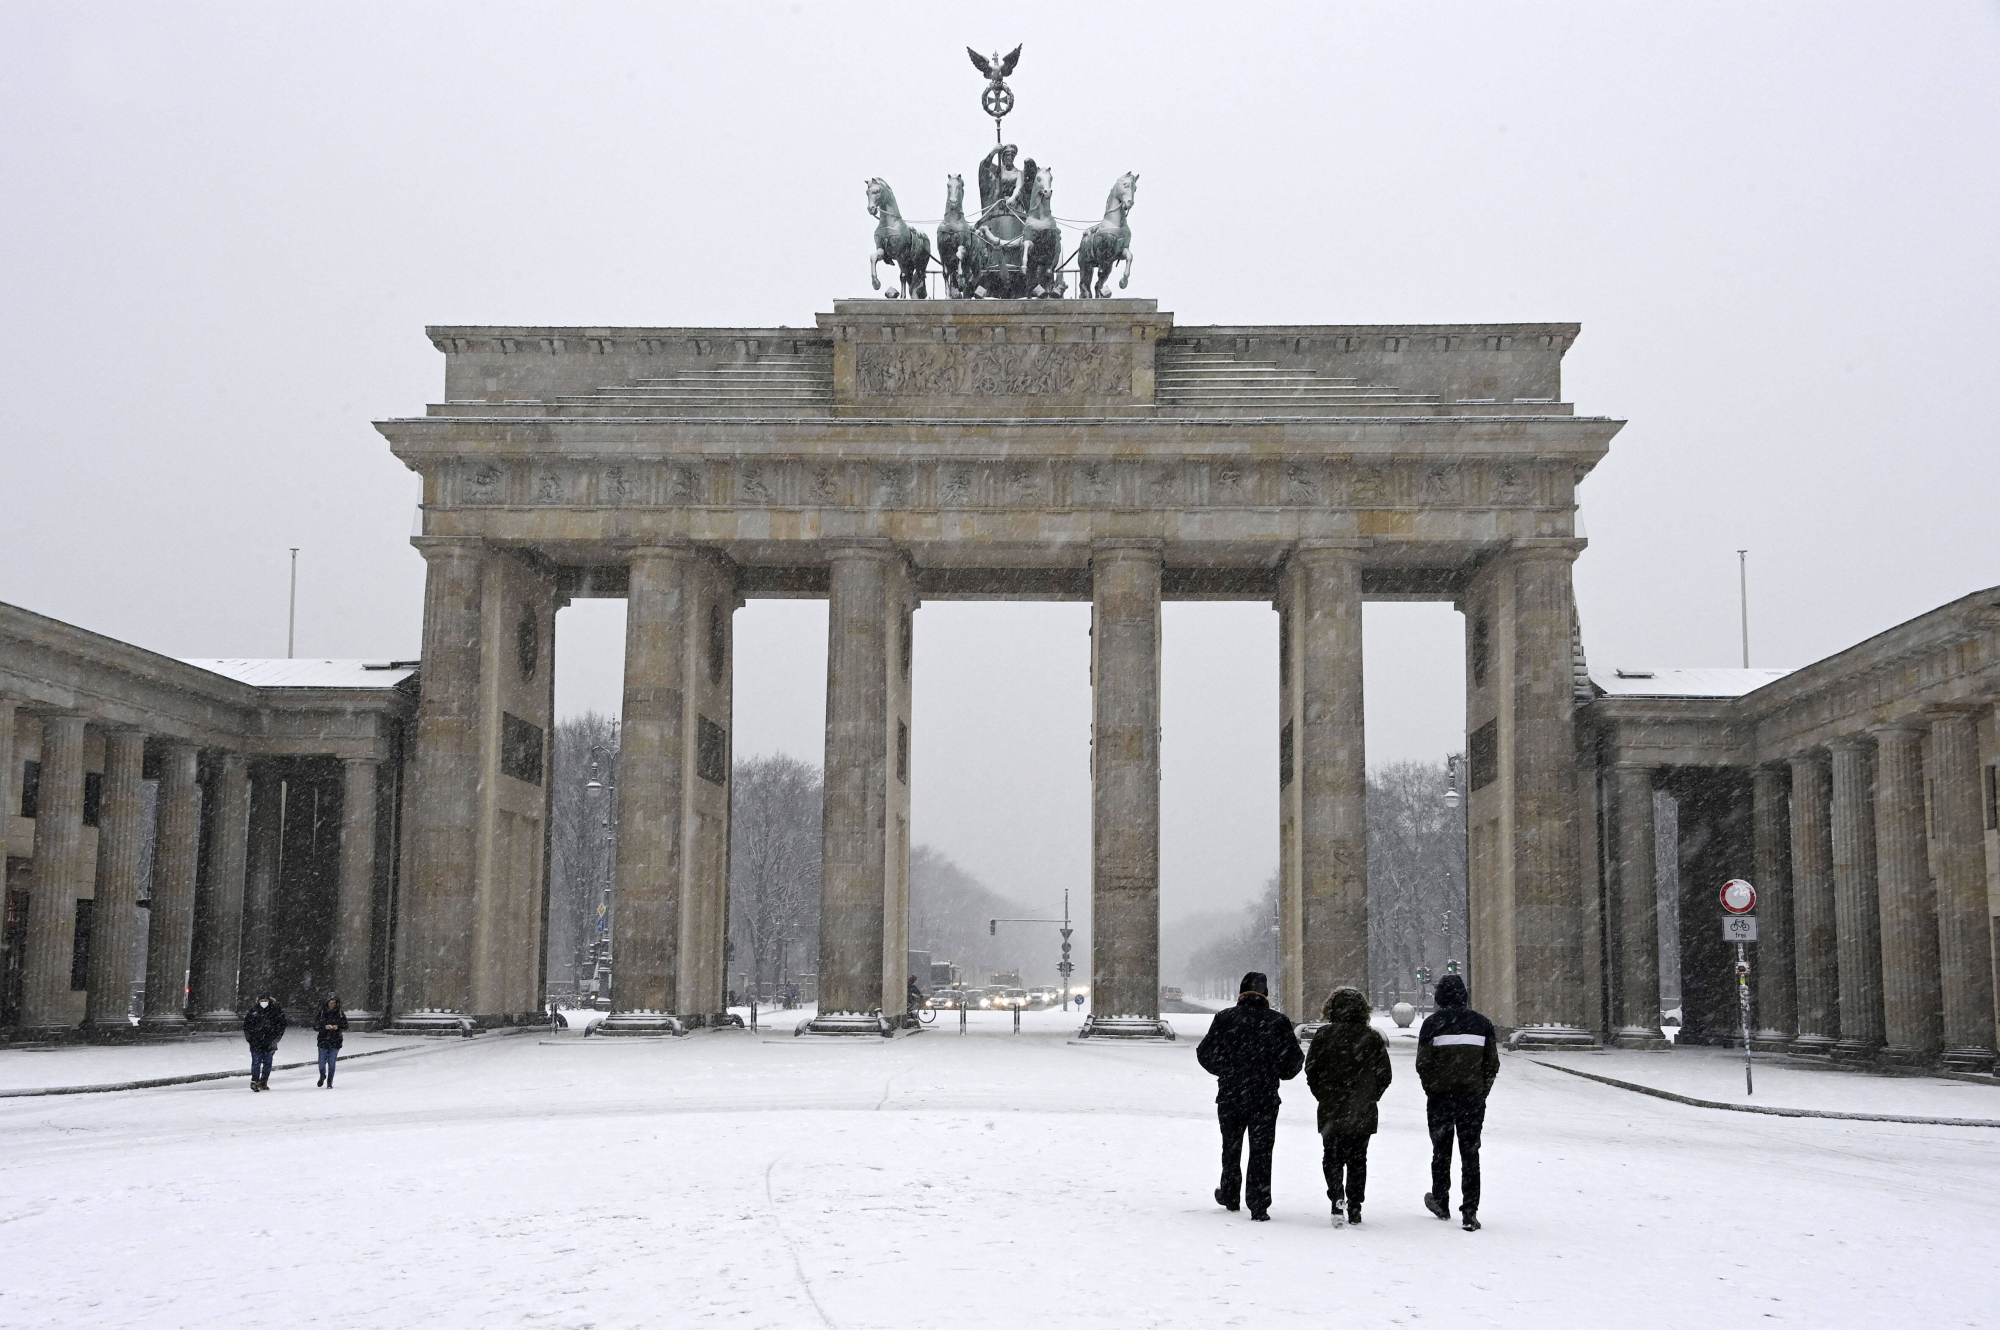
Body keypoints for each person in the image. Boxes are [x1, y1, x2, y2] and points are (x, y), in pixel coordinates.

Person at [1195, 971, 1304, 1221]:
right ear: (1266, 995)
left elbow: (1205, 1052)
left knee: (1231, 1147)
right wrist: (1275, 1072)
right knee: (1262, 1150)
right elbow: (1294, 1061)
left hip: (1231, 1094)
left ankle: (1230, 1193)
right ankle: (1259, 1202)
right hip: (1265, 1096)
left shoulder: (1225, 1018)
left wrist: (1226, 1070)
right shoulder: (1278, 1021)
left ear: (1241, 993)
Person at [1416, 972, 1501, 1232]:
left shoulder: (1432, 1024)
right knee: (1470, 1153)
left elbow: (1423, 1064)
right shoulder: (1482, 1024)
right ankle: (1470, 1211)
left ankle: (1441, 1200)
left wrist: (1433, 1089)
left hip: (1440, 1098)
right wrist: (1481, 1091)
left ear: (1440, 997)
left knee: (1441, 1151)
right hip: (1472, 1099)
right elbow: (1491, 1064)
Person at [1304, 986, 1392, 1228]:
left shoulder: (1324, 1035)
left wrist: (1323, 1095)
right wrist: (1370, 1096)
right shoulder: (1372, 1037)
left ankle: (1336, 1198)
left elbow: (1311, 1070)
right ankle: (1355, 1205)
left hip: (1331, 1107)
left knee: (1332, 1156)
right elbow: (1385, 1074)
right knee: (1358, 1159)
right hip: (1362, 1109)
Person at [243, 994, 286, 1092]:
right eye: (261, 1000)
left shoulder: (275, 1011)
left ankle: (263, 1081)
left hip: (269, 1042)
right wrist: (250, 1038)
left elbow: (281, 1025)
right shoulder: (253, 1011)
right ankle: (255, 1080)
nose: (263, 1002)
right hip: (256, 1042)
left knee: (267, 1063)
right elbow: (247, 1026)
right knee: (256, 1061)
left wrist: (275, 1038)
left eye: (265, 1000)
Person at [315, 995, 350, 1088]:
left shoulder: (340, 1013)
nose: (332, 1005)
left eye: (333, 1003)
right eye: (330, 1003)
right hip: (323, 1040)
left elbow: (345, 1025)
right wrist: (324, 1026)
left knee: (332, 1062)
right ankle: (322, 1075)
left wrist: (337, 1026)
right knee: (321, 1062)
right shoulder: (322, 1013)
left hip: (335, 1040)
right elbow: (315, 1025)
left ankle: (330, 1080)